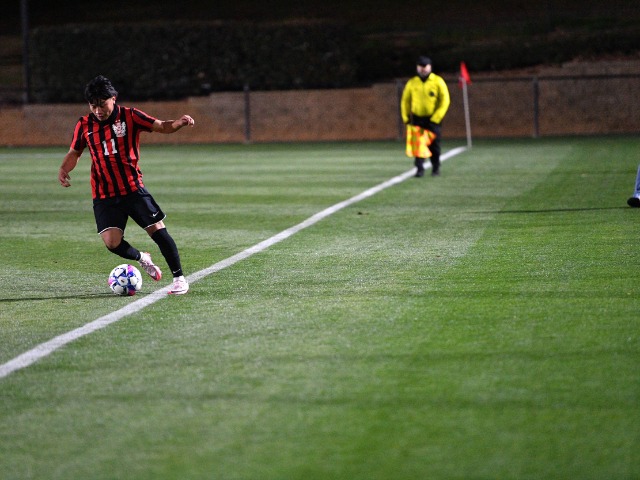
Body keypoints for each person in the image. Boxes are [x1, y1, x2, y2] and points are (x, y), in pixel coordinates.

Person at [58, 75, 194, 294]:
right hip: (104, 194)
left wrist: (178, 123)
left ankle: (179, 279)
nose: (98, 110)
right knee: (112, 243)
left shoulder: (130, 116)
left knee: (158, 231)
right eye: (93, 105)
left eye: (102, 104)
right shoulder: (84, 124)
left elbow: (161, 126)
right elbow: (75, 151)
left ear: (113, 98)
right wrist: (64, 169)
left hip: (132, 189)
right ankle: (142, 258)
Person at [401, 56, 451, 177]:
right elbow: (405, 101)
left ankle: (435, 168)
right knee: (418, 145)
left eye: (425, 66)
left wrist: (436, 118)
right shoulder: (412, 82)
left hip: (433, 119)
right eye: (420, 66)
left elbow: (445, 100)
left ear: (430, 67)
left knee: (434, 145)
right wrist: (406, 117)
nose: (423, 69)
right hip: (417, 118)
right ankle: (419, 169)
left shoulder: (438, 81)